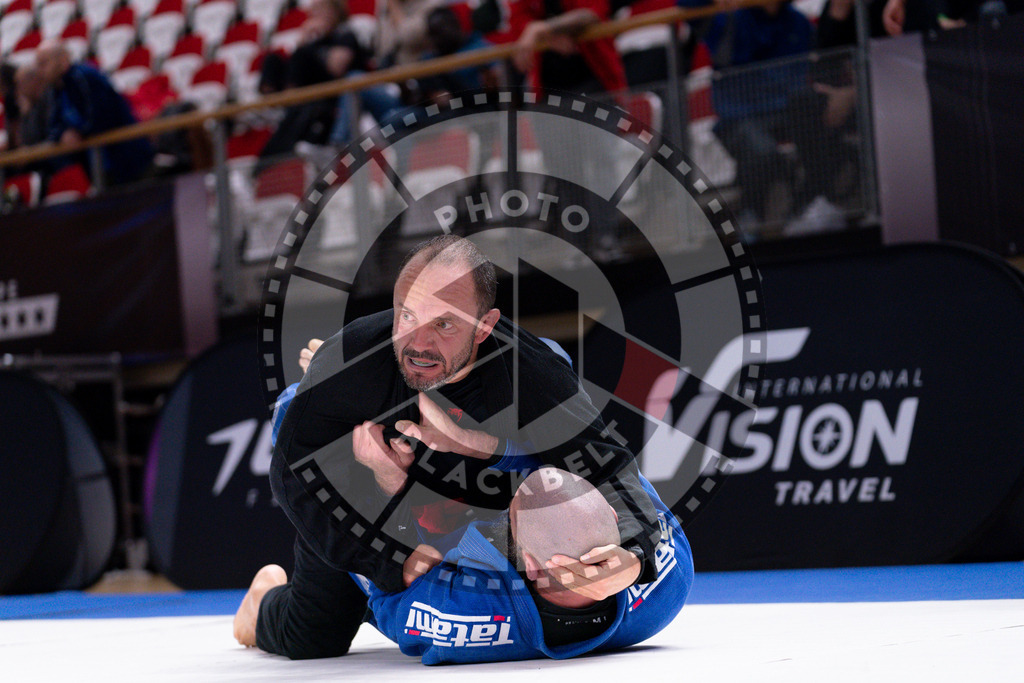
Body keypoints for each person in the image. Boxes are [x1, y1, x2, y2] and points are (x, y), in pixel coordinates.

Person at [238, 234, 663, 659]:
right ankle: (263, 599)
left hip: (485, 500)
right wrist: (387, 562)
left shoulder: (533, 371)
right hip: (365, 486)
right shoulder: (353, 362)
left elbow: (607, 467)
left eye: (444, 324)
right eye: (407, 316)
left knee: (542, 510)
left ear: (485, 327)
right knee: (313, 639)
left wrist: (633, 555)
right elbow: (294, 474)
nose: (419, 343)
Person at [239, 466, 693, 664]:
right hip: (470, 469)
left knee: (314, 634)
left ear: (532, 566)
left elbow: (382, 589)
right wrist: (636, 557)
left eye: (515, 513)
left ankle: (260, 604)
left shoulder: (465, 611)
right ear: (612, 515)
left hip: (398, 532)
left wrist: (382, 485)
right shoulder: (667, 583)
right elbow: (629, 485)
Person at [35, 40, 153, 186]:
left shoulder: (84, 77)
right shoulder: (56, 89)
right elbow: (53, 128)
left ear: (63, 60)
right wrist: (63, 134)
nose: (40, 70)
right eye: (38, 64)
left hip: (128, 158)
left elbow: (101, 117)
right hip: (101, 165)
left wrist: (78, 132)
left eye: (44, 63)